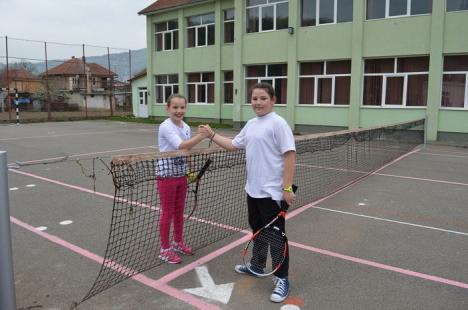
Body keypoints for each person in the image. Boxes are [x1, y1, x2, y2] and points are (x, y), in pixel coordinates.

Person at [199, 83, 296, 303]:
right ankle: (256, 265)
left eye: (263, 98)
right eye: (254, 99)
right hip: (253, 191)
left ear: (273, 100)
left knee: (276, 238)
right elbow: (234, 145)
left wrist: (287, 188)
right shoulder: (251, 124)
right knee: (258, 232)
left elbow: (289, 156)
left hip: (272, 194)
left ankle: (282, 278)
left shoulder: (278, 124)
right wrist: (211, 134)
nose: (258, 103)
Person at [156, 94, 206, 264]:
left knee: (179, 211)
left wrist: (191, 170)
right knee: (168, 212)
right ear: (168, 108)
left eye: (182, 107)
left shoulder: (185, 126)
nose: (179, 111)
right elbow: (180, 145)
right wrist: (202, 135)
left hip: (181, 175)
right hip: (166, 175)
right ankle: (164, 249)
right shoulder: (166, 127)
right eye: (175, 107)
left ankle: (177, 242)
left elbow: (186, 150)